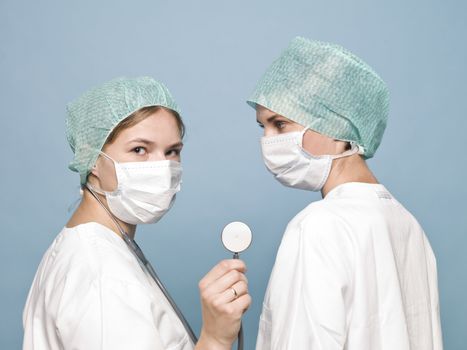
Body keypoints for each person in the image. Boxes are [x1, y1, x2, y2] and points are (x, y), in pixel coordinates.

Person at [23, 77, 251, 350]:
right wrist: (214, 339)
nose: (162, 167)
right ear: (91, 158)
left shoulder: (91, 248)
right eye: (139, 150)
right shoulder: (102, 275)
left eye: (172, 151)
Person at [247, 37, 443, 349]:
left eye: (280, 125)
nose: (267, 140)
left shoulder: (318, 227)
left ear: (338, 126)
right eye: (263, 128)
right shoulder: (409, 225)